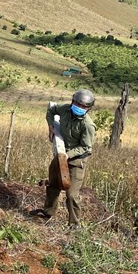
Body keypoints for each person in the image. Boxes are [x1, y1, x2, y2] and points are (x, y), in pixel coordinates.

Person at [33, 88, 96, 228]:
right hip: (60, 154)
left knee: (71, 194)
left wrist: (69, 155)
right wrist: (51, 127)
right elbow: (51, 110)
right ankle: (48, 213)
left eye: (83, 106)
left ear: (89, 109)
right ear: (72, 101)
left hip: (76, 160)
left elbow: (86, 147)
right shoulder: (65, 109)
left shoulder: (88, 125)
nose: (79, 108)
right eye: (77, 104)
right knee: (53, 185)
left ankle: (74, 224)